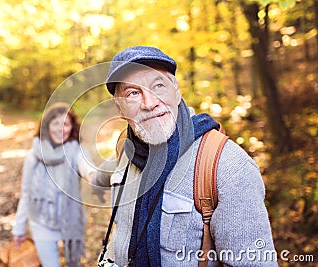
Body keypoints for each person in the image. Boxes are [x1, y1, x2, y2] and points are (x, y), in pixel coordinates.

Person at [92, 46, 278, 266]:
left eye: (159, 86)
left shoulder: (227, 166)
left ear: (177, 90)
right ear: (120, 108)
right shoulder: (126, 149)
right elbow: (104, 183)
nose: (150, 103)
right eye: (133, 93)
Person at [12, 102, 93, 267]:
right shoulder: (33, 156)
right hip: (42, 223)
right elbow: (26, 194)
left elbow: (87, 166)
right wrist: (19, 228)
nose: (60, 129)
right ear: (47, 125)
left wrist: (95, 175)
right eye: (55, 123)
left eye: (66, 124)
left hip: (70, 221)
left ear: (72, 128)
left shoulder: (76, 150)